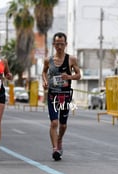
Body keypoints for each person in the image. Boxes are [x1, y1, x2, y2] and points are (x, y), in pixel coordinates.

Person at [42, 32, 81, 161]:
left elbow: (79, 75)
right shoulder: (48, 60)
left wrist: (69, 77)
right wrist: (45, 82)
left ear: (66, 45)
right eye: (57, 44)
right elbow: (44, 72)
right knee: (54, 122)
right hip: (53, 95)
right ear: (53, 44)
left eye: (61, 44)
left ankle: (59, 140)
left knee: (63, 125)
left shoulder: (71, 59)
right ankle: (55, 150)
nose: (59, 46)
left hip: (65, 95)